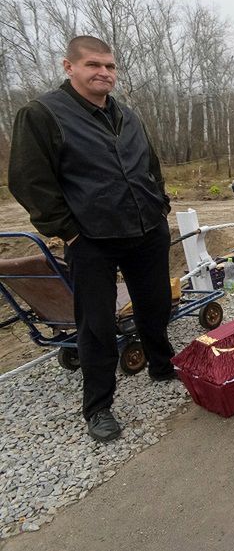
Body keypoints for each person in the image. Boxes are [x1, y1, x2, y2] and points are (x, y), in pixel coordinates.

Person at [8, 36, 175, 443]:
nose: (104, 73)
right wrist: (68, 230)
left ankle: (162, 365)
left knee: (154, 304)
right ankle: (98, 407)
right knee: (96, 324)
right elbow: (29, 181)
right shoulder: (43, 114)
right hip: (93, 238)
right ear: (69, 66)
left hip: (146, 228)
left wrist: (160, 205)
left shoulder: (126, 115)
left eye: (110, 66)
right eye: (93, 65)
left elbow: (149, 164)